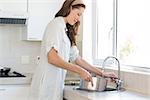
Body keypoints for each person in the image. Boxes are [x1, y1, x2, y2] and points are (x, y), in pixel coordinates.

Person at [28, 0, 117, 100]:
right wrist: (80, 71)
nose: (78, 19)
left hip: (55, 86)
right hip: (45, 86)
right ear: (70, 8)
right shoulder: (56, 25)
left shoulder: (66, 31)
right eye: (78, 14)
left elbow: (78, 59)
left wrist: (102, 73)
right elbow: (52, 58)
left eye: (80, 16)